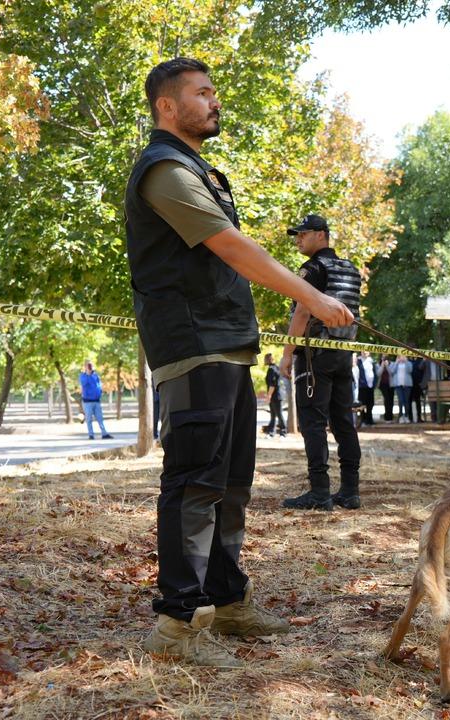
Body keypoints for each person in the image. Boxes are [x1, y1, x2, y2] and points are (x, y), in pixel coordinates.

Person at [124, 58, 353, 667]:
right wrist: (311, 296)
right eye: (202, 94)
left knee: (230, 486)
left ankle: (226, 602)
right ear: (166, 107)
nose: (214, 102)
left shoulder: (198, 169)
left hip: (227, 346)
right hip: (193, 347)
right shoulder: (165, 169)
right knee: (194, 483)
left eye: (214, 93)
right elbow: (230, 246)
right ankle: (175, 627)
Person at [279, 213, 363, 511]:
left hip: (316, 355)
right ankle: (350, 491)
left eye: (303, 233)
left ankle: (319, 492)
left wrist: (287, 354)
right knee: (343, 422)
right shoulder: (351, 269)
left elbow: (301, 313)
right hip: (344, 353)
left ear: (321, 235)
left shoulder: (313, 268)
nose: (298, 238)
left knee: (313, 422)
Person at [79, 361, 113, 440]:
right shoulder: (83, 376)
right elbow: (84, 383)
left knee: (100, 418)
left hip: (97, 400)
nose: (90, 367)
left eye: (91, 366)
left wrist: (100, 392)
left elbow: (98, 385)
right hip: (87, 402)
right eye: (88, 366)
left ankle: (104, 434)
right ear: (85, 367)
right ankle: (91, 435)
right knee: (89, 419)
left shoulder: (96, 375)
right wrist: (88, 373)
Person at [263, 353, 285, 437]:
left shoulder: (272, 369)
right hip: (275, 396)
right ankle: (271, 432)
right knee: (273, 415)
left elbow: (272, 384)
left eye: (265, 359)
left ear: (268, 359)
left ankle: (283, 432)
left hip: (276, 396)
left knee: (279, 414)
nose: (264, 360)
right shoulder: (276, 368)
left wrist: (269, 396)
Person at [389, 354, 413, 423]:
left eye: (403, 356)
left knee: (406, 401)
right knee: (400, 400)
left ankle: (406, 416)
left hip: (407, 385)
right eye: (400, 356)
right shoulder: (395, 363)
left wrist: (406, 361)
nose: (401, 358)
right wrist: (396, 362)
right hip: (398, 385)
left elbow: (410, 370)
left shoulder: (409, 363)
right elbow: (392, 371)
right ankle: (400, 416)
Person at [356, 351, 376, 425]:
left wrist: (375, 383)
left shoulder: (371, 360)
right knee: (362, 404)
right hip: (362, 386)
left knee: (370, 404)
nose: (365, 352)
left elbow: (374, 372)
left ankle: (370, 420)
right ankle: (363, 420)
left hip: (370, 386)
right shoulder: (358, 361)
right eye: (363, 351)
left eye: (366, 351)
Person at [378, 355, 395, 422]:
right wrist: (382, 366)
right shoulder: (378, 365)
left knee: (391, 400)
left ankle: (390, 417)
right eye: (383, 358)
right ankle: (387, 417)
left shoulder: (392, 364)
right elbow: (378, 374)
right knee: (387, 399)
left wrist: (387, 366)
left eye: (385, 359)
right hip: (382, 385)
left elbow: (391, 373)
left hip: (391, 385)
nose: (384, 360)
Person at [410, 356, 426, 423]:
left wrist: (422, 383)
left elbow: (423, 371)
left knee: (418, 401)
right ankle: (410, 418)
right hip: (409, 384)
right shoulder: (408, 360)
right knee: (409, 401)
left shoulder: (421, 360)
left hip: (418, 384)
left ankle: (419, 418)